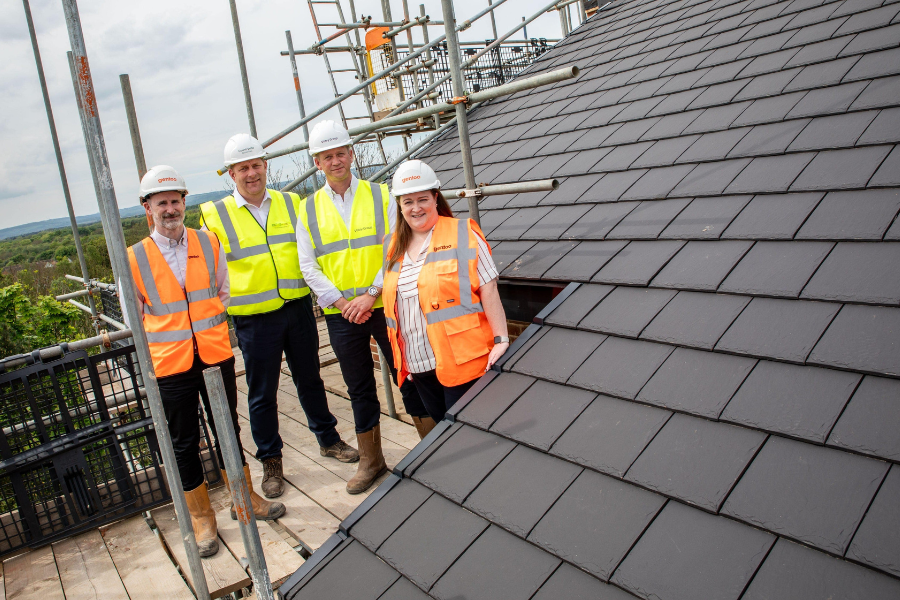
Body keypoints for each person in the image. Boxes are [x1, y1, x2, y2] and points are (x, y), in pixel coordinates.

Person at [125, 165, 284, 558]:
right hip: (171, 364)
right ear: (148, 208)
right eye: (161, 202)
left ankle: (244, 499)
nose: (169, 208)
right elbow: (136, 317)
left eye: (175, 200)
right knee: (184, 444)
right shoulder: (134, 258)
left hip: (214, 356)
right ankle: (202, 519)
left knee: (227, 428)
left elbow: (222, 292)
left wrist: (203, 332)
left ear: (183, 202)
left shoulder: (207, 242)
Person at [200, 135, 358, 500]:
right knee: (262, 394)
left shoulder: (291, 202)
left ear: (265, 165)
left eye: (256, 165)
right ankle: (271, 460)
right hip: (254, 318)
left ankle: (328, 439)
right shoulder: (214, 214)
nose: (251, 173)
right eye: (243, 168)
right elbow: (210, 270)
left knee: (310, 379)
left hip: (297, 306)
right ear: (232, 175)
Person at [297, 120, 430, 495]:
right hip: (343, 315)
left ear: (351, 154)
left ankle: (432, 447)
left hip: (385, 304)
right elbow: (309, 265)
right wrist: (342, 302)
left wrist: (370, 293)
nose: (336, 161)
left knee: (407, 372)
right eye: (327, 156)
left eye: (341, 153)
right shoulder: (308, 210)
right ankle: (372, 461)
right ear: (317, 162)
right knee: (359, 387)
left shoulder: (380, 195)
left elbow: (396, 247)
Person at [382, 160, 510, 422]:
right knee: (441, 432)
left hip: (461, 360)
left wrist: (501, 339)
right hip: (417, 364)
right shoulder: (393, 245)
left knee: (466, 431)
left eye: (422, 199)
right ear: (399, 205)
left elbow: (489, 288)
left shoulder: (463, 232)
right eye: (408, 202)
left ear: (435, 198)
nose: (416, 208)